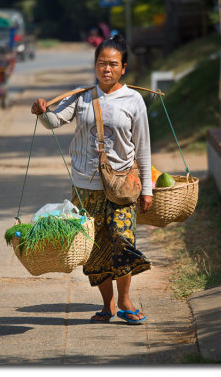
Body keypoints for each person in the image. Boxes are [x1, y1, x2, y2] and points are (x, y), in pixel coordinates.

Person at [31, 35, 153, 324]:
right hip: (85, 188)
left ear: (124, 68)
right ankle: (107, 304)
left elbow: (144, 148)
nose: (106, 69)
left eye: (113, 64)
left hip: (122, 187)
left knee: (123, 242)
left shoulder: (134, 100)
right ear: (95, 66)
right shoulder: (82, 97)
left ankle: (125, 299)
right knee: (94, 250)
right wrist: (42, 112)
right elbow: (54, 121)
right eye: (101, 63)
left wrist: (146, 190)